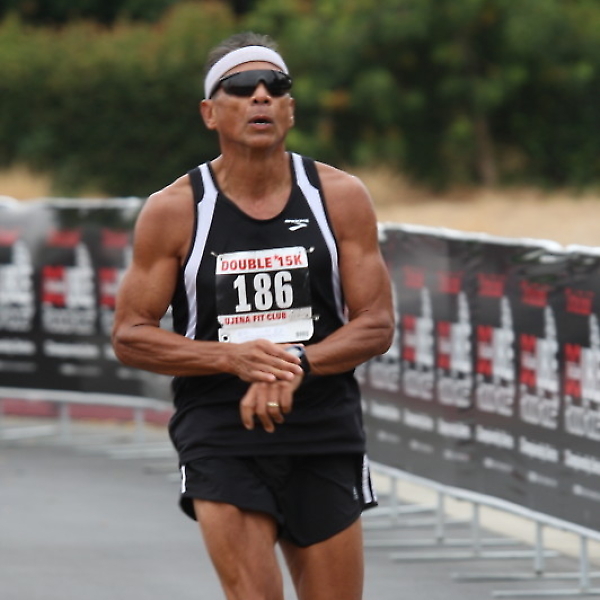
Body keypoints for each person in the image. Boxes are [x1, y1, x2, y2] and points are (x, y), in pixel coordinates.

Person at [112, 31, 394, 600]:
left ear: (290, 108)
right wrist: (231, 358)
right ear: (209, 113)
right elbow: (131, 335)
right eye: (241, 87)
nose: (260, 96)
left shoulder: (339, 197)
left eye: (275, 86)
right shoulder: (174, 210)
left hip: (322, 426)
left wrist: (296, 364)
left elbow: (377, 323)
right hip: (221, 430)